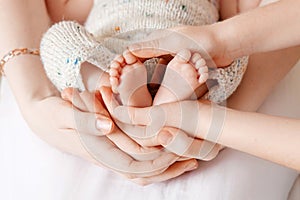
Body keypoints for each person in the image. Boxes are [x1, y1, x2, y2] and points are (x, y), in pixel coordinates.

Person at [0, 0, 299, 190]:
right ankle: (109, 89)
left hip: (182, 60)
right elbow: (56, 19)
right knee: (58, 38)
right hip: (111, 58)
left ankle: (170, 95)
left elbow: (244, 24)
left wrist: (222, 43)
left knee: (232, 60)